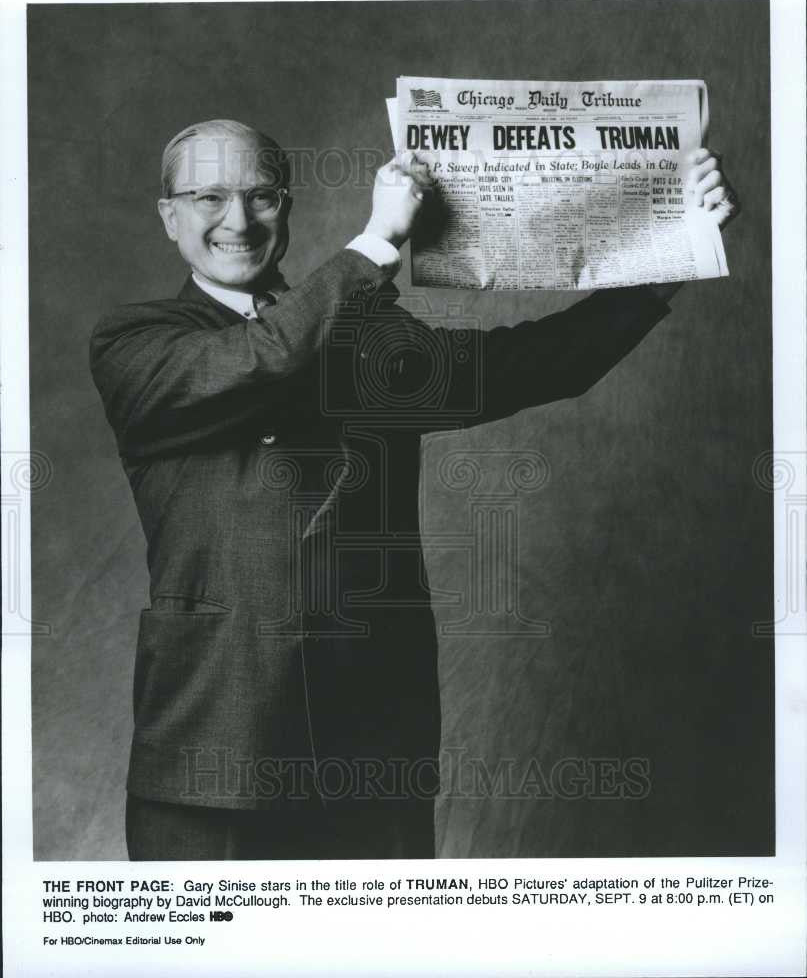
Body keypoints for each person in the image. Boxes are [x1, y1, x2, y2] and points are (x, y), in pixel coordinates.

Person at [89, 119, 739, 860]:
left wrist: (667, 257)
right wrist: (375, 244)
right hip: (218, 751)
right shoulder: (136, 343)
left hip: (370, 744)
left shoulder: (361, 333)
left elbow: (522, 366)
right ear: (167, 213)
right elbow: (261, 360)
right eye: (208, 197)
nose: (237, 221)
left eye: (261, 196)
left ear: (287, 207)